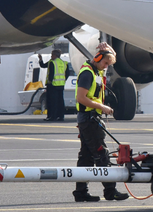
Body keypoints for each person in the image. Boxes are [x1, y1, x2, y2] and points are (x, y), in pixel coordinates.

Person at [73, 43, 129, 202]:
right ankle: (111, 192)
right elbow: (81, 98)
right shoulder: (87, 74)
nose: (106, 67)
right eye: (105, 64)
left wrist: (110, 48)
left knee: (86, 158)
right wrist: (102, 107)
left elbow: (112, 59)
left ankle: (80, 192)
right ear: (97, 58)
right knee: (101, 155)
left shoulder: (95, 69)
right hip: (89, 119)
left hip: (89, 119)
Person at [38, 49, 68, 121]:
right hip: (61, 85)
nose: (51, 56)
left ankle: (52, 116)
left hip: (53, 85)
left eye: (52, 55)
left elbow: (45, 67)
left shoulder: (52, 62)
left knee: (52, 101)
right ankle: (60, 116)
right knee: (60, 101)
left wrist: (50, 81)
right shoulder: (64, 63)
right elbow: (67, 74)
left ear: (55, 55)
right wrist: (63, 80)